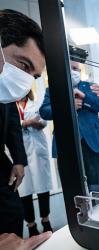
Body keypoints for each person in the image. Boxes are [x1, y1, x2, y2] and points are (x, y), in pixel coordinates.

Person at [0, 9, 46, 238]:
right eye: (23, 65)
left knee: (11, 213)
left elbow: (12, 124)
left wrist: (18, 160)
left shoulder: (4, 91)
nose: (25, 82)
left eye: (33, 76)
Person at [39, 61, 99, 192]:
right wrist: (67, 106)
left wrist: (85, 97)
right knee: (72, 187)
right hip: (66, 142)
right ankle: (77, 212)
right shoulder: (53, 89)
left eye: (76, 68)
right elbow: (44, 111)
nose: (73, 71)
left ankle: (98, 208)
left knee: (96, 186)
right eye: (70, 68)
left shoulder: (91, 87)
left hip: (92, 141)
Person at [16, 90, 53, 237]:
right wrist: (26, 123)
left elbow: (43, 121)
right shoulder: (8, 104)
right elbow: (8, 125)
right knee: (24, 190)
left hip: (37, 148)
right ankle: (31, 225)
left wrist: (28, 124)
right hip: (19, 149)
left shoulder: (36, 104)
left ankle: (46, 221)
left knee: (43, 186)